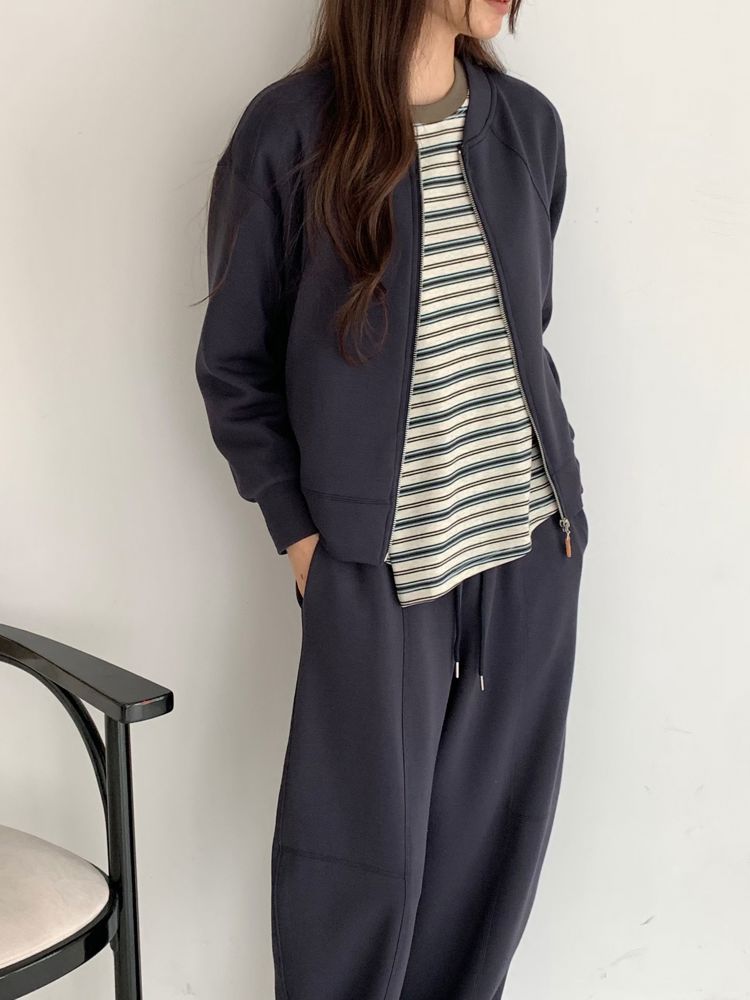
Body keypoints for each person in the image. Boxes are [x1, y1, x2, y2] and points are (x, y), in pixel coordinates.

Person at [195, 0, 588, 996]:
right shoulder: (288, 135)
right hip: (372, 563)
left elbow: (526, 331)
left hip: (527, 545)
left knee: (490, 854)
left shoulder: (527, 128)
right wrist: (302, 538)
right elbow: (233, 366)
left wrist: (565, 510)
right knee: (353, 866)